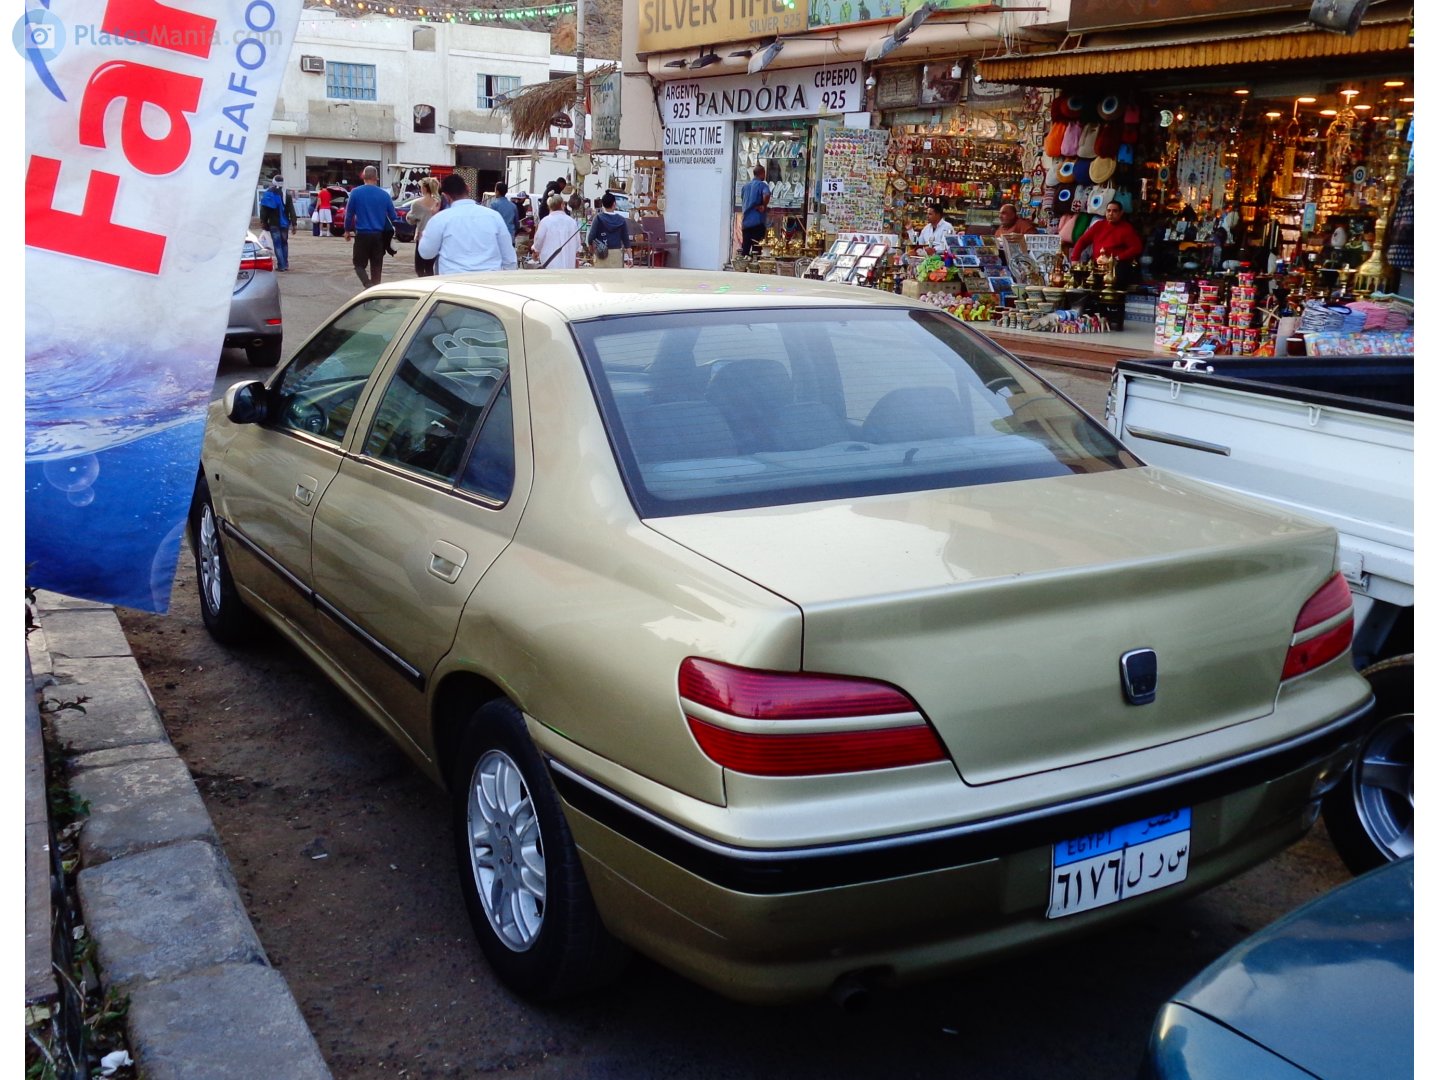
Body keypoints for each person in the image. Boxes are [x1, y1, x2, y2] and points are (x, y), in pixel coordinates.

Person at [417, 173, 517, 274]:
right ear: (468, 188)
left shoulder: (439, 219)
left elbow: (426, 253)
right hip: (489, 282)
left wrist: (425, 232)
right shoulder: (494, 216)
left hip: (452, 282)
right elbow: (509, 258)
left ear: (445, 196)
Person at [345, 165, 401, 287]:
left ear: (363, 177)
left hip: (362, 235)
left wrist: (347, 230)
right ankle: (375, 291)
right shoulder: (384, 195)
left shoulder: (355, 193)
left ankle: (367, 284)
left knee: (359, 265)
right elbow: (393, 216)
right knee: (376, 267)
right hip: (378, 237)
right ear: (377, 178)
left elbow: (349, 214)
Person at [1071, 199, 1144, 268]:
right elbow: (1083, 241)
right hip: (1097, 264)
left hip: (1116, 266)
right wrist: (1075, 259)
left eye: (1114, 211)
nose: (1111, 213)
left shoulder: (1126, 228)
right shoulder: (1098, 225)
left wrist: (1117, 258)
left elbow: (1136, 248)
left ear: (1121, 213)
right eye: (1108, 211)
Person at [532, 194, 582, 268]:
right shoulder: (571, 222)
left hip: (550, 265)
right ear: (563, 205)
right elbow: (578, 244)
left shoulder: (545, 221)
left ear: (549, 206)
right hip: (569, 265)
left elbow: (538, 240)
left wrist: (536, 250)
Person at [407, 176, 443, 277]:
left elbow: (411, 219)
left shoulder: (417, 204)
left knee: (419, 268)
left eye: (421, 187)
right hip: (436, 237)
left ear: (425, 188)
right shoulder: (439, 202)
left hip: (422, 237)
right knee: (429, 266)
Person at [587, 191, 632, 268]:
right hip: (616, 254)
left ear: (603, 204)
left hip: (601, 253)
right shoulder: (621, 220)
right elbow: (626, 240)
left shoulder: (598, 218)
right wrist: (630, 258)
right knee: (615, 278)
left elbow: (591, 237)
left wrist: (591, 248)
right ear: (614, 204)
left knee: (601, 279)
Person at [258, 175, 291, 271]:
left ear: (274, 182)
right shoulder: (286, 193)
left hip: (274, 224)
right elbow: (291, 209)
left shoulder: (269, 193)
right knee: (284, 244)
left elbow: (264, 209)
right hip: (285, 224)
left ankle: (281, 266)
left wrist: (263, 221)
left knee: (277, 245)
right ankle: (286, 264)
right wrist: (294, 223)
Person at [739, 164, 770, 256]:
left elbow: (743, 199)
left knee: (745, 248)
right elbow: (766, 195)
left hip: (746, 222)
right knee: (757, 248)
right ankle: (754, 268)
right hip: (757, 221)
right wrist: (763, 205)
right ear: (762, 173)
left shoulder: (745, 187)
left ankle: (742, 266)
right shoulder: (762, 185)